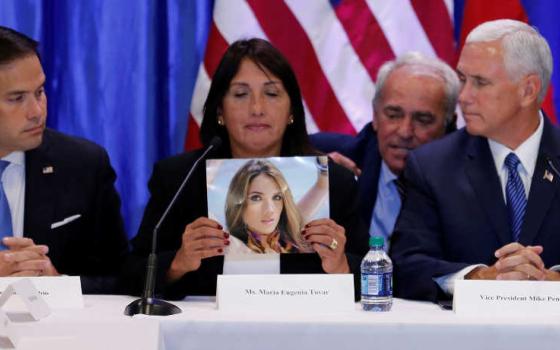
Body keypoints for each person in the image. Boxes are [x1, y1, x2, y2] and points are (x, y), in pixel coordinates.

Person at [124, 38, 369, 299]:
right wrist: (178, 264)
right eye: (241, 94)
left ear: (291, 111)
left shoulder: (336, 182)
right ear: (220, 110)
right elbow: (129, 275)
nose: (257, 109)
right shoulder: (179, 178)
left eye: (272, 94)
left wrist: (342, 267)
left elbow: (378, 277)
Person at [391, 19, 560, 303]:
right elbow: (406, 265)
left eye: (480, 83)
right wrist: (481, 278)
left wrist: (548, 281)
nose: (464, 96)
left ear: (528, 90)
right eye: (463, 80)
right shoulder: (432, 166)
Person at [0, 26, 128, 292]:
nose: (37, 111)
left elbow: (122, 278)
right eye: (17, 98)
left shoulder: (83, 165)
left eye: (39, 92)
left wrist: (58, 285)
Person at [311, 52, 460, 245]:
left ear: (449, 125)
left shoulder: (468, 181)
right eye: (393, 115)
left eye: (423, 120)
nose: (405, 132)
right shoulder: (325, 158)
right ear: (375, 115)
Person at [224, 158, 328, 254]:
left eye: (277, 197)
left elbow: (322, 186)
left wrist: (323, 162)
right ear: (237, 204)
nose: (270, 210)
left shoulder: (289, 231)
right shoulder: (232, 245)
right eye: (256, 198)